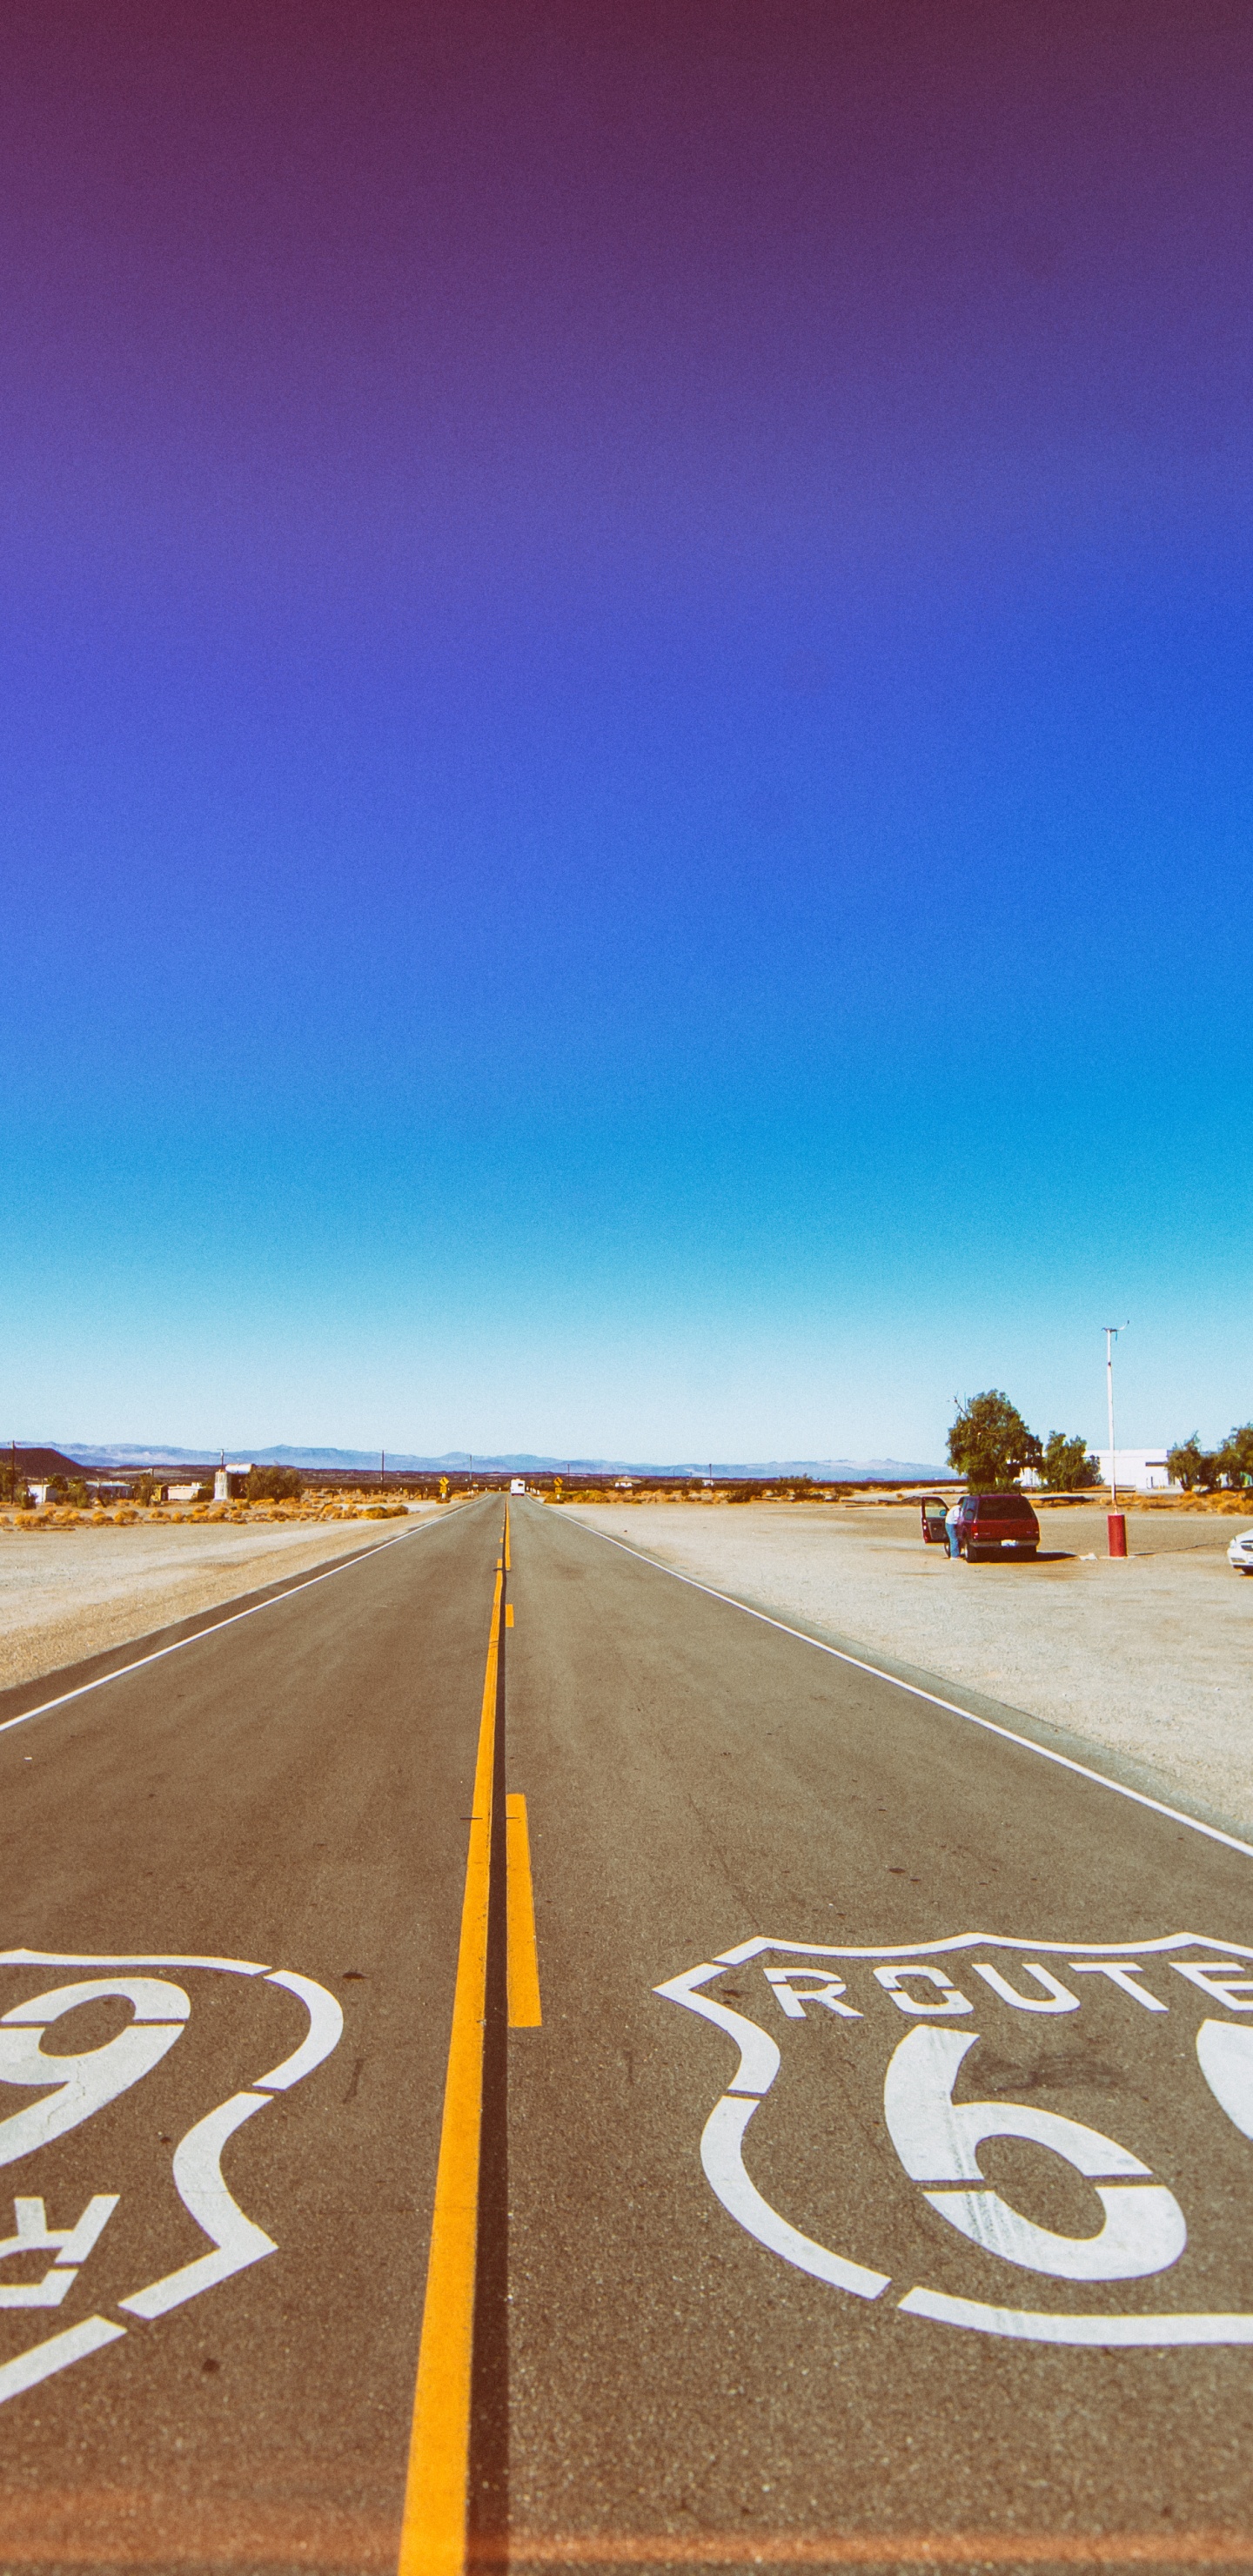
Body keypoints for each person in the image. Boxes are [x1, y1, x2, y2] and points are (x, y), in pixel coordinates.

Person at [946, 1495, 964, 1560]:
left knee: (956, 1539)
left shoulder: (959, 1508)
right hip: (951, 1524)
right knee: (954, 1539)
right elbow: (957, 1517)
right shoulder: (957, 1508)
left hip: (953, 1524)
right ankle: (954, 1556)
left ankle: (957, 1554)